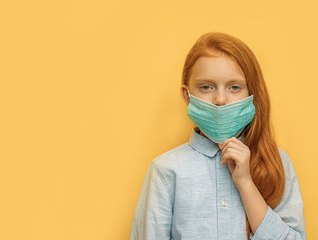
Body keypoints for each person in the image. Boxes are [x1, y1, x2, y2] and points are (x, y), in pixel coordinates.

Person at [129, 32, 306, 240]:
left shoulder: (278, 163)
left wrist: (246, 184)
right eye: (206, 87)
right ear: (187, 96)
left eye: (234, 87)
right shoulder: (166, 170)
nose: (220, 99)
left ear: (252, 95)